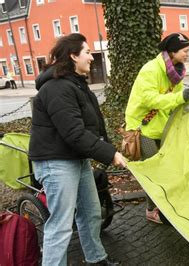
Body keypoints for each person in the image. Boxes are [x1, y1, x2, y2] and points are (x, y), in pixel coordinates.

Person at [29, 33, 126, 265]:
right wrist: (110, 154)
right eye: (87, 52)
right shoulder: (56, 88)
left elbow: (91, 126)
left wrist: (109, 146)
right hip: (56, 162)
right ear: (73, 55)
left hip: (75, 159)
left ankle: (96, 259)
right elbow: (74, 132)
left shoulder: (75, 84)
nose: (92, 58)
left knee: (91, 213)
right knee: (61, 226)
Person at [125, 33, 189, 224]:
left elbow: (176, 101)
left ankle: (165, 205)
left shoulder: (177, 72)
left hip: (162, 126)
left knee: (167, 168)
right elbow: (150, 99)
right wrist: (179, 98)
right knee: (154, 170)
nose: (188, 54)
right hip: (143, 128)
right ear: (172, 52)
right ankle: (150, 209)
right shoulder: (150, 69)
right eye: (185, 51)